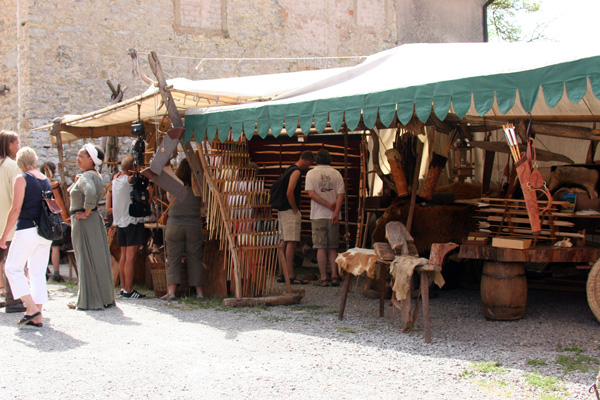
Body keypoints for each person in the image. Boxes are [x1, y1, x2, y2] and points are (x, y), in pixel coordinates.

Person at [0, 147, 53, 327]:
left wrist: (4, 235)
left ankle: (31, 307)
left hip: (27, 229)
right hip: (44, 232)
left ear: (19, 162)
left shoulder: (22, 179)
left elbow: (15, 209)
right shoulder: (45, 179)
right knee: (37, 272)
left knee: (11, 268)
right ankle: (37, 315)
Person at [68, 143, 115, 310]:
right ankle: (102, 297)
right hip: (92, 220)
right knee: (96, 259)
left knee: (84, 259)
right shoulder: (95, 175)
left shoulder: (87, 177)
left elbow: (89, 192)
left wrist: (86, 212)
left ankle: (87, 299)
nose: (77, 159)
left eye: (81, 156)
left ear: (91, 159)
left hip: (84, 221)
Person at [161, 158, 204, 300]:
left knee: (173, 258)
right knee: (195, 258)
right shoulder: (199, 188)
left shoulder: (173, 187)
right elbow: (202, 206)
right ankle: (199, 292)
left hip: (174, 225)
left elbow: (169, 200)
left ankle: (171, 292)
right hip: (193, 225)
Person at [106, 155, 146, 299]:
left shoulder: (115, 180)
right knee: (130, 257)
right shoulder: (129, 181)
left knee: (124, 256)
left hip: (120, 221)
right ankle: (128, 289)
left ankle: (124, 287)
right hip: (131, 221)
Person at [305, 149, 345, 287]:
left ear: (316, 160)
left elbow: (311, 194)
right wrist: (336, 212)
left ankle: (323, 278)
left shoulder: (311, 173)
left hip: (318, 215)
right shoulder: (336, 173)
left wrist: (327, 205)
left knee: (320, 247)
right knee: (333, 247)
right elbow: (341, 195)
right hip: (333, 216)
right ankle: (334, 275)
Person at [275, 150, 314, 285]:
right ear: (308, 161)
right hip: (289, 209)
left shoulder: (289, 169)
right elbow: (289, 192)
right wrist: (295, 209)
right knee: (291, 241)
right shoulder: (296, 172)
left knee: (284, 241)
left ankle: (282, 273)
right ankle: (290, 275)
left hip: (282, 209)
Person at [0, 130, 26, 312]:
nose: (18, 146)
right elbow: (17, 197)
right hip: (8, 223)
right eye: (16, 143)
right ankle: (13, 300)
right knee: (13, 263)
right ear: (9, 145)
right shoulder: (12, 166)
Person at [39, 161, 65, 282]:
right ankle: (56, 273)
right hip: (52, 218)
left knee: (43, 246)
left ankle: (45, 271)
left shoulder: (37, 183)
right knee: (54, 246)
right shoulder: (52, 185)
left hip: (42, 218)